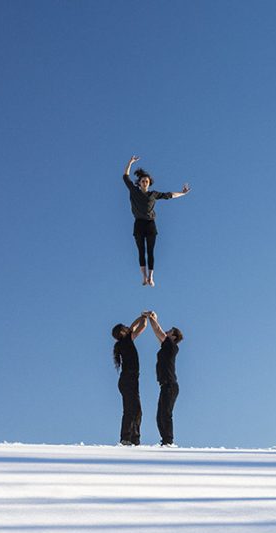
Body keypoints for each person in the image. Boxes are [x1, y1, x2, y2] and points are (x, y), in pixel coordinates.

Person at [122, 156, 191, 286]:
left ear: (149, 183)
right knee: (141, 251)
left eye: (147, 181)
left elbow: (169, 195)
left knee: (150, 251)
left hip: (150, 224)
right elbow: (125, 176)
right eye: (142, 181)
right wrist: (130, 162)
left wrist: (183, 193)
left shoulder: (153, 194)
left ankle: (151, 277)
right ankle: (144, 277)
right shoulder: (134, 190)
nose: (144, 183)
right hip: (138, 224)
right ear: (139, 182)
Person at [146, 311, 183, 447]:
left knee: (165, 414)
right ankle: (165, 441)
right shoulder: (167, 346)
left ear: (173, 336)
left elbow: (158, 330)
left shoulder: (172, 346)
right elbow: (158, 334)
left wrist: (151, 317)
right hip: (165, 385)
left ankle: (169, 441)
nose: (167, 331)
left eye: (170, 331)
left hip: (170, 385)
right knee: (159, 416)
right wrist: (154, 319)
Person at [111, 313, 148, 445]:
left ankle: (132, 438)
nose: (128, 327)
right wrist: (145, 317)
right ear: (122, 332)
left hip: (128, 380)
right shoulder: (127, 340)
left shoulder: (124, 341)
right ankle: (128, 438)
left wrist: (142, 316)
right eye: (125, 327)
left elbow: (133, 326)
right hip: (129, 380)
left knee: (134, 409)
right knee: (132, 410)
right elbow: (142, 325)